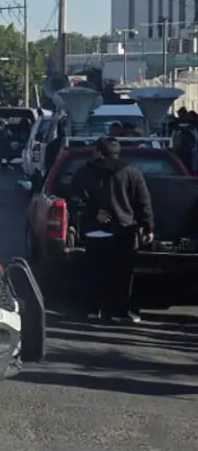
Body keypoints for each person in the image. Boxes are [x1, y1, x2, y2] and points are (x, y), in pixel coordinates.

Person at [70, 137, 154, 324]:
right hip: (124, 231)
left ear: (99, 152)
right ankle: (120, 311)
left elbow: (74, 199)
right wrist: (148, 227)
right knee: (122, 275)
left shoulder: (85, 172)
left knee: (94, 273)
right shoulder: (132, 172)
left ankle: (93, 310)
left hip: (95, 232)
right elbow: (143, 202)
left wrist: (93, 214)